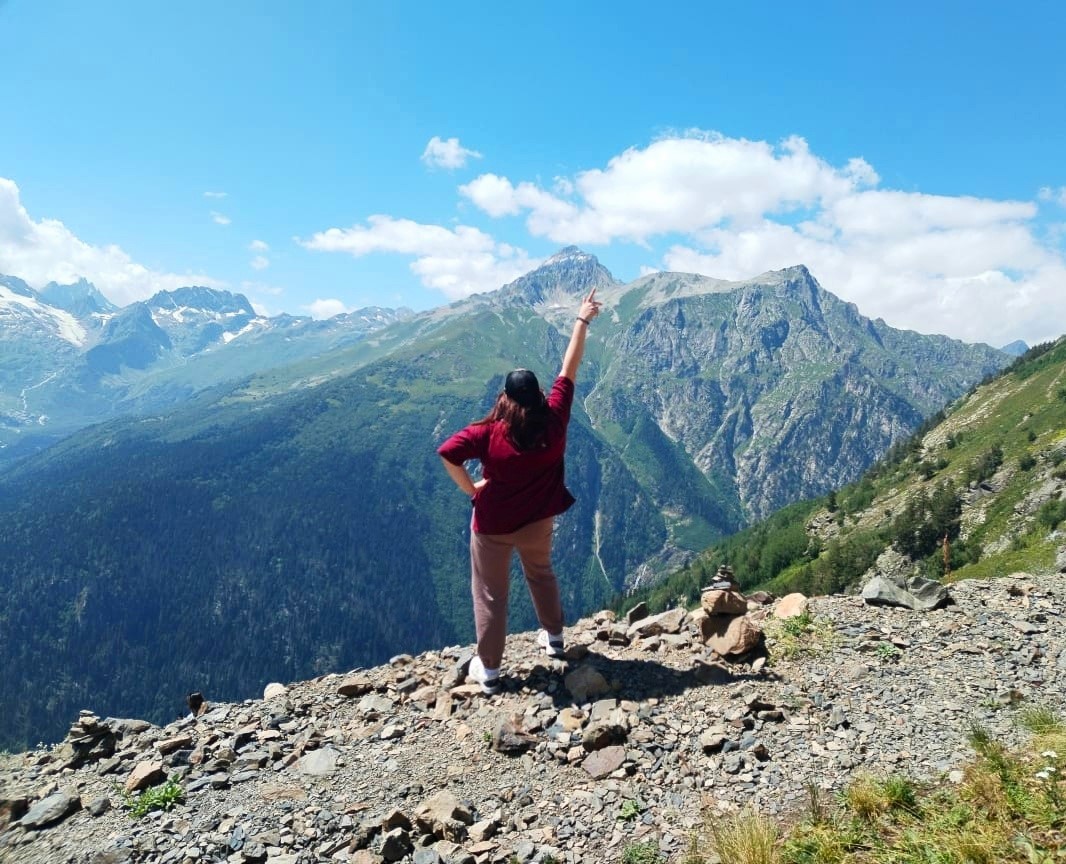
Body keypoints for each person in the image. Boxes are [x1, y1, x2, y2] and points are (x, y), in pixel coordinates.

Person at [437, 289, 603, 694]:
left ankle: (490, 671)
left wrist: (471, 488)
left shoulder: (488, 432)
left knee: (491, 594)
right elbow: (570, 366)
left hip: (492, 525)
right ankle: (555, 637)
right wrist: (582, 320)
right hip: (538, 521)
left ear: (507, 398)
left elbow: (447, 452)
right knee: (541, 575)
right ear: (539, 396)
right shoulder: (556, 420)